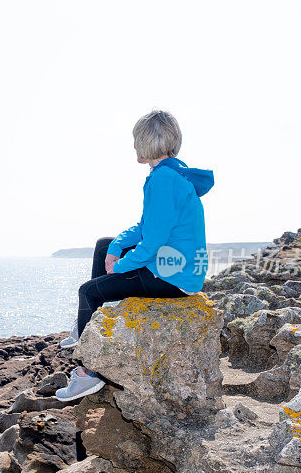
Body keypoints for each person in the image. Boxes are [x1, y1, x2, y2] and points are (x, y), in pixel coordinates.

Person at [55, 110, 214, 402]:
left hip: (172, 274)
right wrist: (116, 248)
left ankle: (89, 374)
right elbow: (146, 227)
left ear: (142, 145)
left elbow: (152, 243)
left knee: (88, 292)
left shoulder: (163, 180)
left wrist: (120, 268)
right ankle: (87, 326)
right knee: (105, 244)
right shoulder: (172, 173)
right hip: (179, 266)